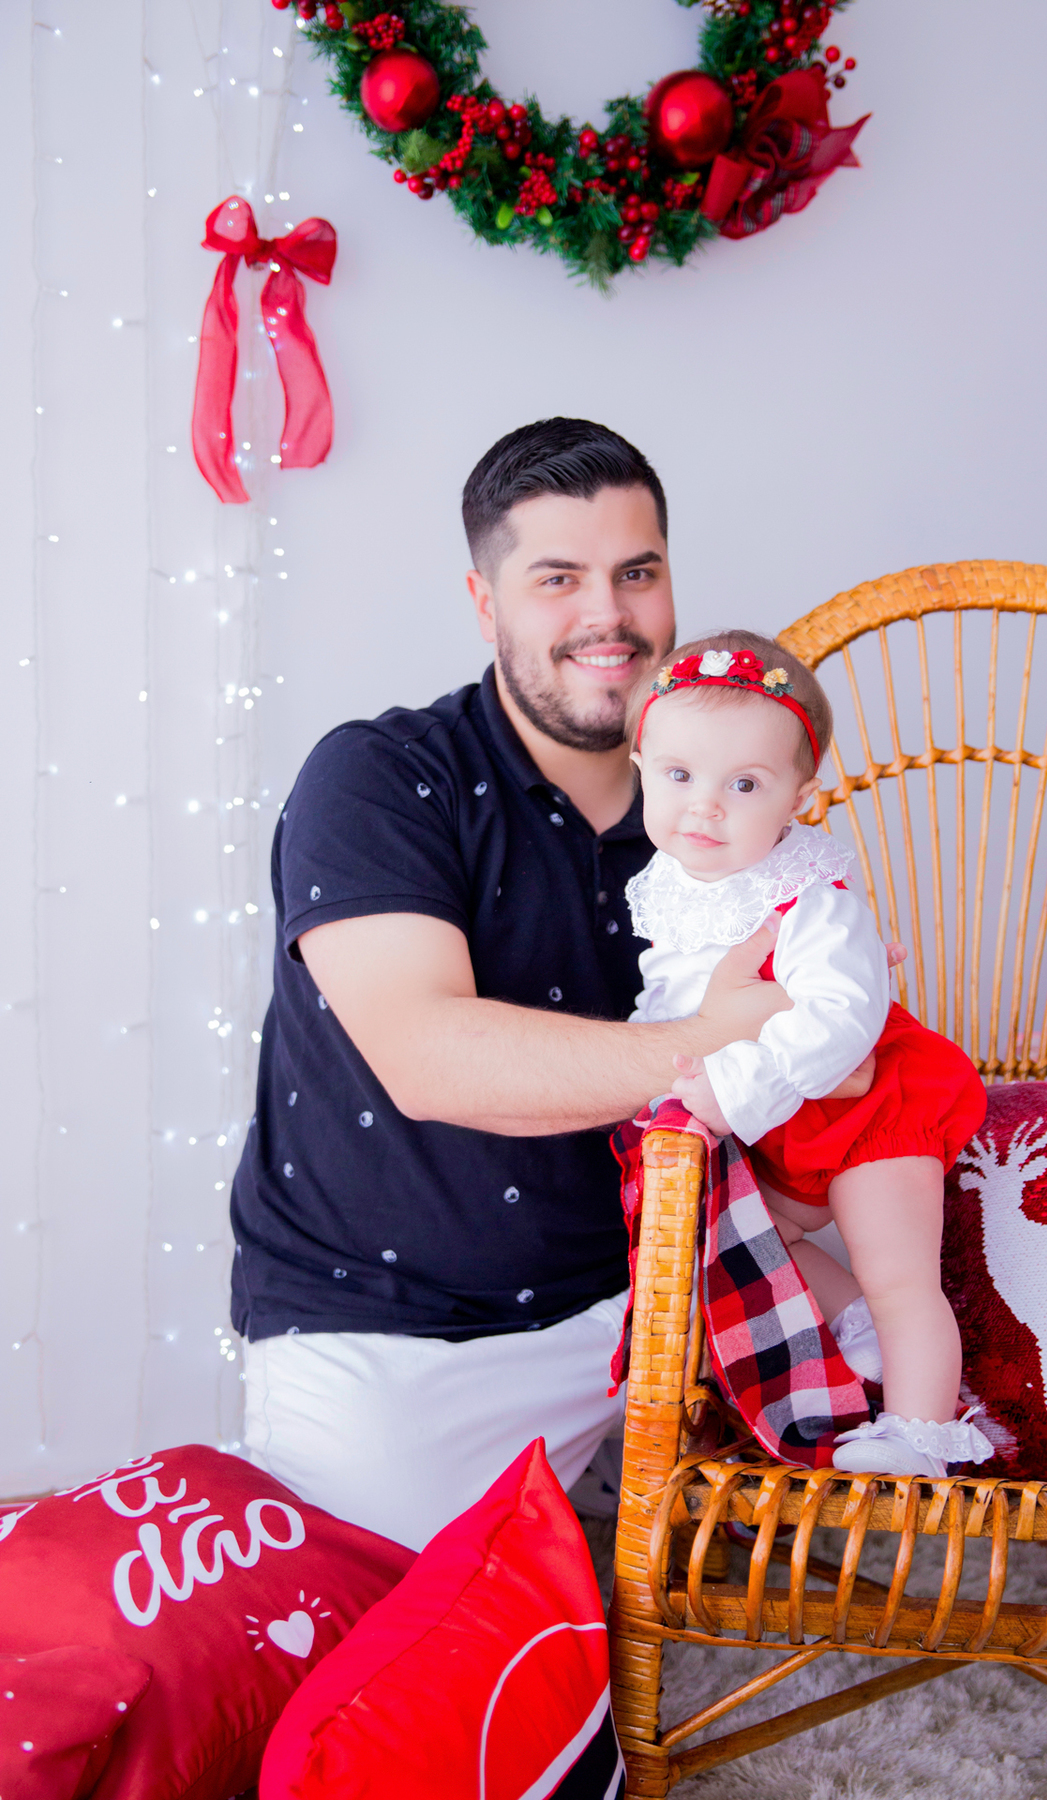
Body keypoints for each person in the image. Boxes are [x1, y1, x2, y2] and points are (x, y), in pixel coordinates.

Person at [230, 419, 803, 1549]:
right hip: (401, 1339)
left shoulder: (719, 797)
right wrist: (719, 1034)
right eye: (558, 579)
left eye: (636, 573)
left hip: (660, 1307)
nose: (609, 615)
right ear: (485, 603)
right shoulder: (379, 778)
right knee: (386, 1643)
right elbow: (432, 1059)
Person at [627, 629, 995, 1478]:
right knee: (755, 1244)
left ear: (799, 797)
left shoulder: (810, 897)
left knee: (900, 1272)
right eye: (679, 776)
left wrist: (736, 1084)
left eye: (743, 785)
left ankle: (920, 1434)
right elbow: (671, 1004)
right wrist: (661, 1078)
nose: (705, 807)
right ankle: (858, 1324)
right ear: (641, 767)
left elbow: (841, 1017)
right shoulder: (671, 890)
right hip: (781, 1124)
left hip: (870, 1104)